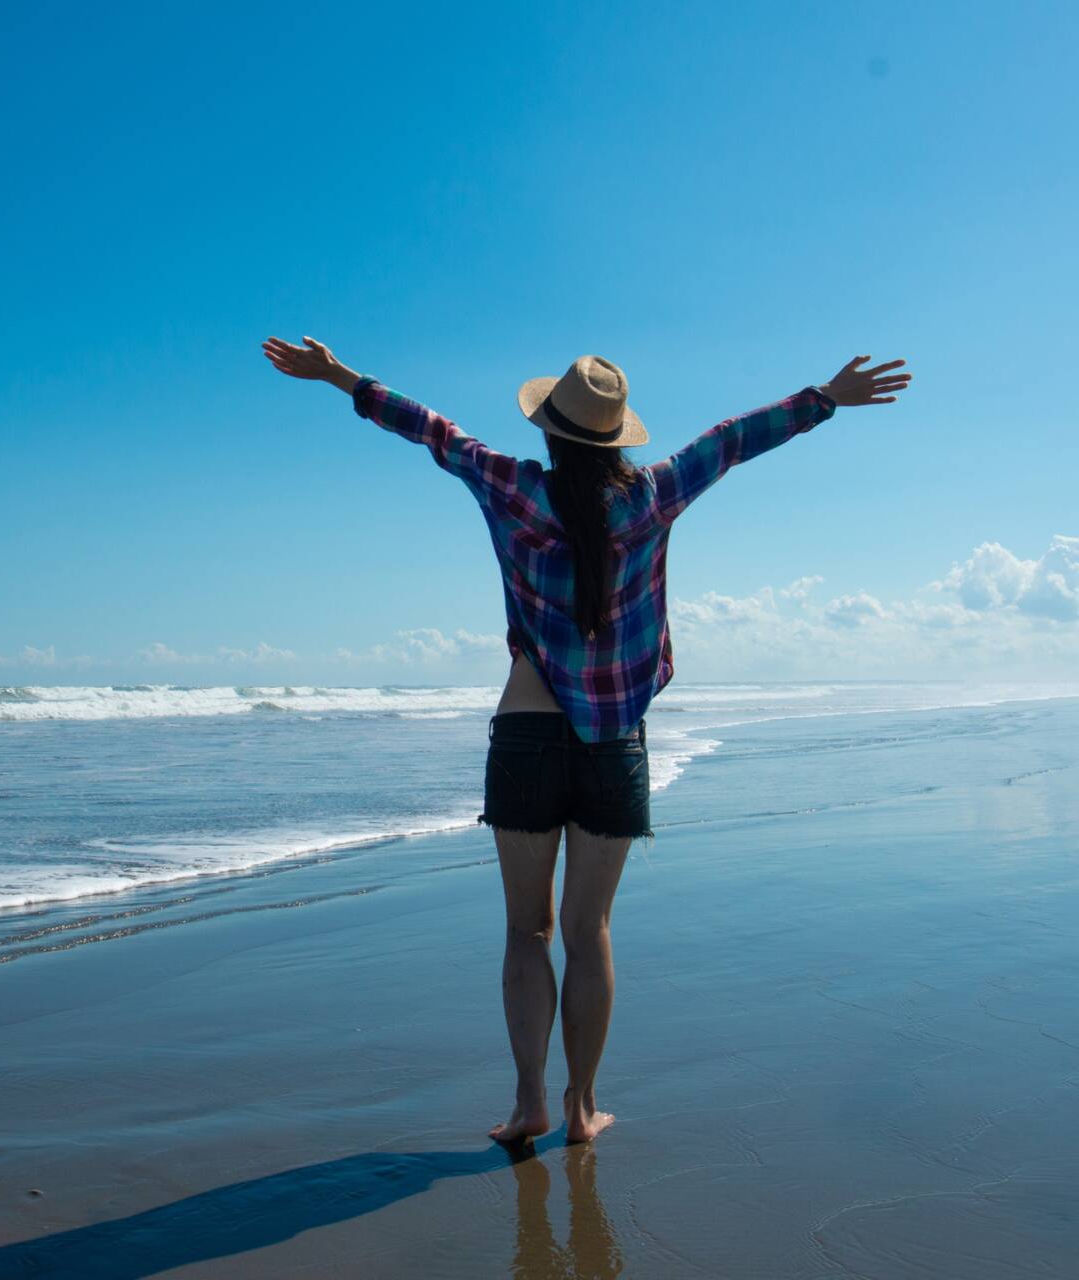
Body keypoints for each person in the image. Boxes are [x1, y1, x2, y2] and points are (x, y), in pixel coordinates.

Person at [261, 338, 911, 1144]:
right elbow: (733, 440)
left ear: (549, 430)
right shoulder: (653, 496)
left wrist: (338, 377)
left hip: (528, 732)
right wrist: (825, 397)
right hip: (614, 741)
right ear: (614, 436)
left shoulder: (511, 487)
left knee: (525, 930)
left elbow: (432, 430)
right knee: (587, 931)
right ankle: (580, 1108)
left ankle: (530, 1100)